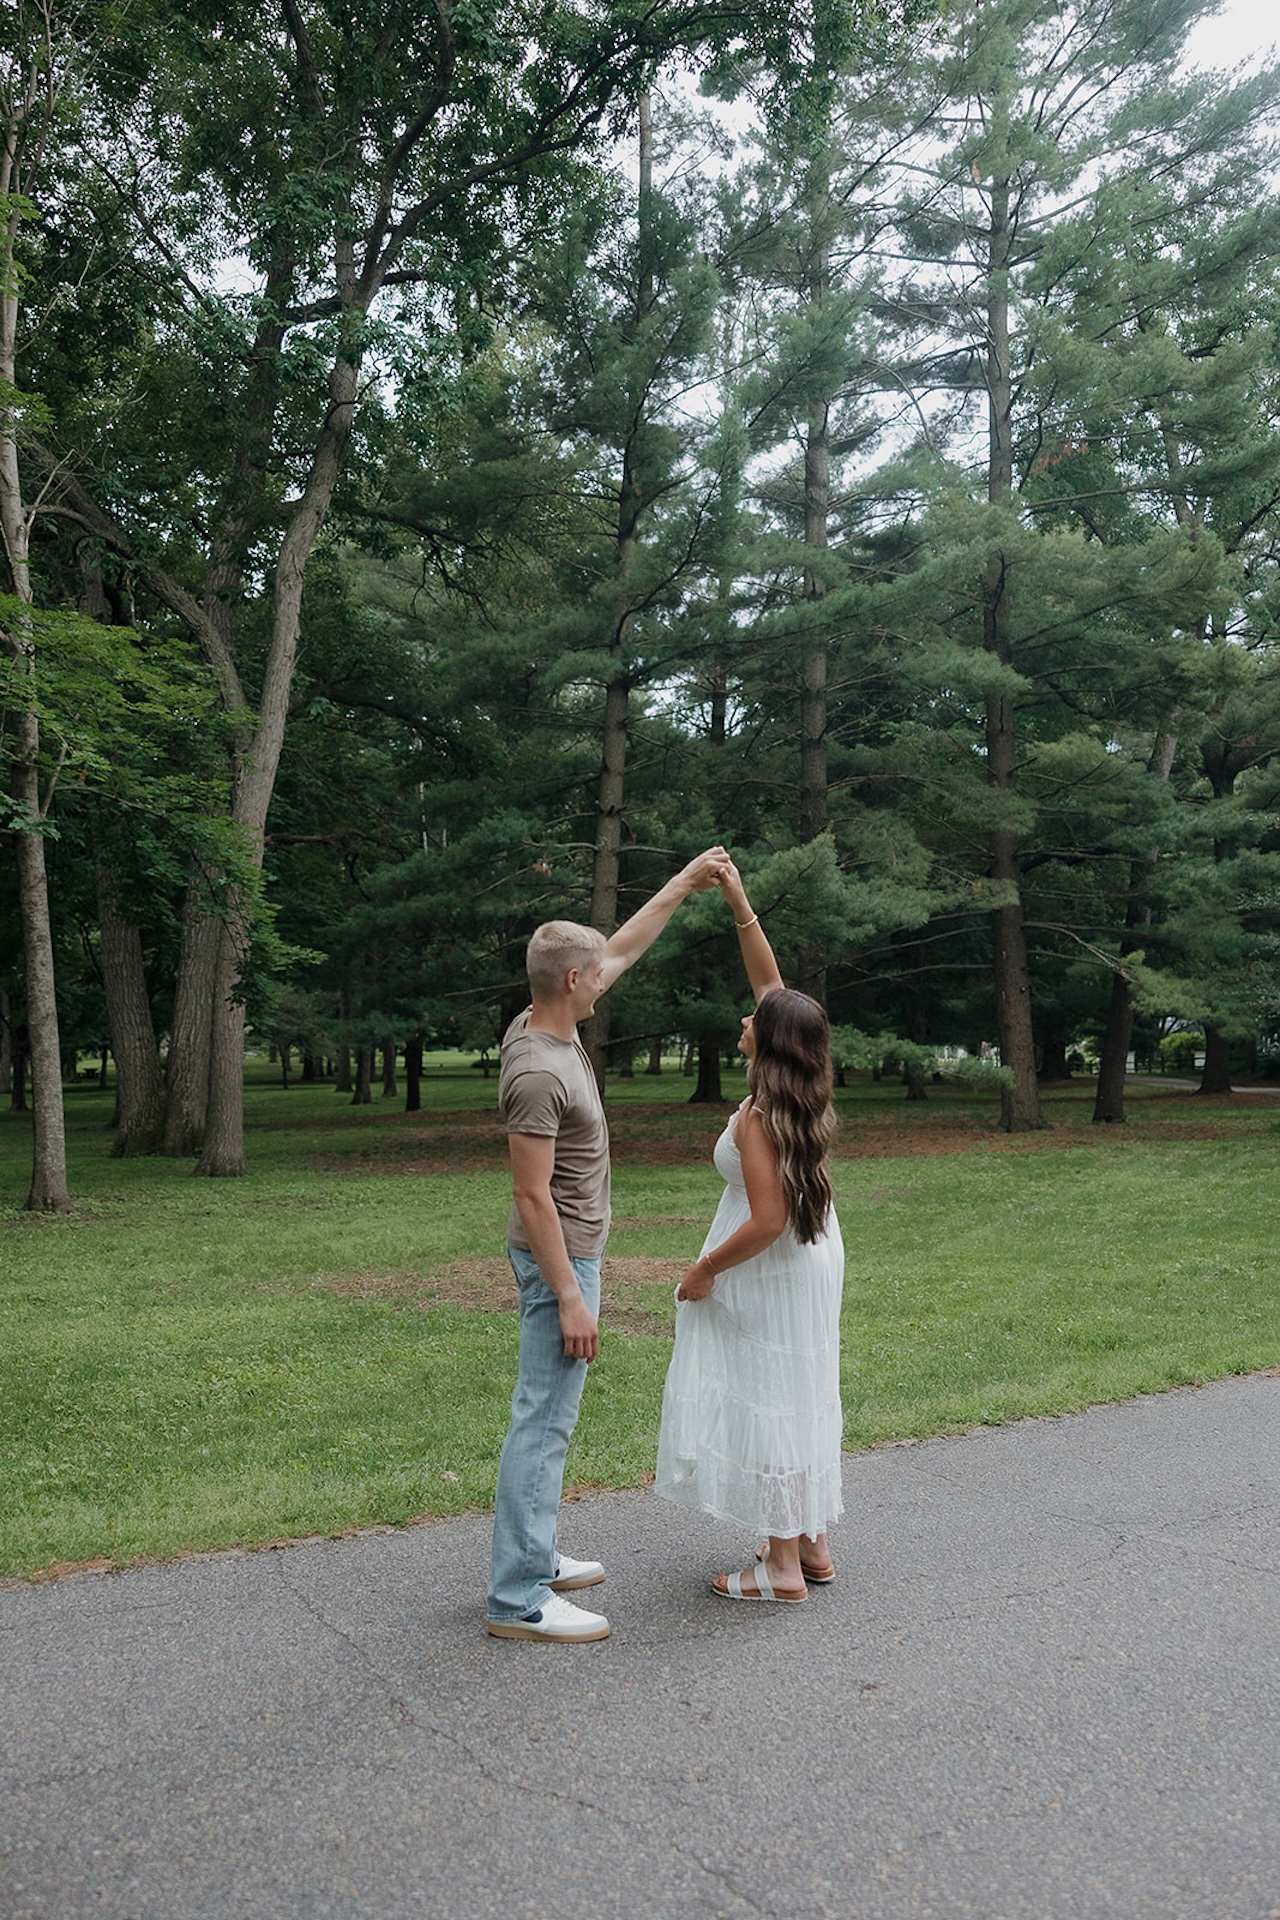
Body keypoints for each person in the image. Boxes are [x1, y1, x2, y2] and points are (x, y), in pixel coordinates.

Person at [487, 847, 730, 1642]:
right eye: (596, 975)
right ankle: (520, 1598)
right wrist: (568, 1293)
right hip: (560, 1261)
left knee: (548, 1416)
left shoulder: (546, 1019)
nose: (609, 978)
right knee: (543, 1420)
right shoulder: (536, 1068)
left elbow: (621, 943)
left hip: (574, 1255)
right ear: (570, 983)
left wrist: (687, 883)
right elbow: (529, 1193)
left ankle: (535, 1553)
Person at [654, 861, 844, 1602]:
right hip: (812, 1251)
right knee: (801, 1385)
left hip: (771, 1257)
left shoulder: (759, 1117)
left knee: (770, 1388)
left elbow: (765, 1219)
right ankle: (813, 1543)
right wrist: (736, 899)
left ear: (767, 1043)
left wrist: (705, 1270)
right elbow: (773, 990)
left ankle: (782, 1568)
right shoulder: (802, 1083)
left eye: (751, 1022)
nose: (743, 1018)